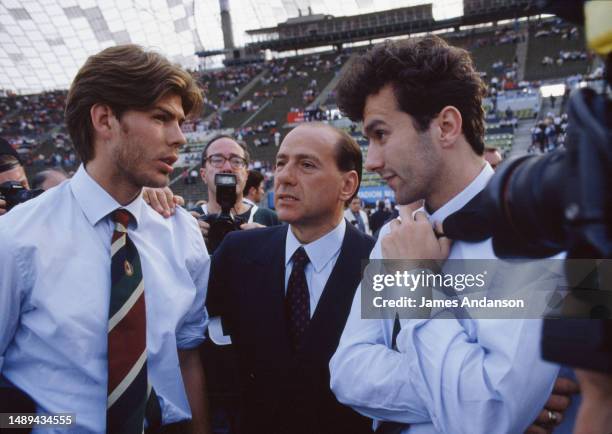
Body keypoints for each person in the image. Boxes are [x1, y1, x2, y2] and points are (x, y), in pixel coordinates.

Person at [329, 36, 578, 434]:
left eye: (381, 134)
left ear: (446, 126)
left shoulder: (539, 231)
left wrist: (413, 281)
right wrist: (479, 401)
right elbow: (347, 370)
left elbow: (485, 416)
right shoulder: (397, 238)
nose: (372, 160)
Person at [0, 44, 211, 434]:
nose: (180, 138)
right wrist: (42, 424)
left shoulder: (183, 236)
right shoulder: (16, 239)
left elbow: (187, 355)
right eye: (162, 118)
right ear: (104, 119)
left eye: (181, 122)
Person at [207, 122, 375, 434]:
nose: (284, 177)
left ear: (347, 185)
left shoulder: (387, 262)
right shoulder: (236, 253)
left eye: (307, 165)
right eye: (281, 163)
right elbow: (195, 343)